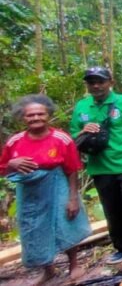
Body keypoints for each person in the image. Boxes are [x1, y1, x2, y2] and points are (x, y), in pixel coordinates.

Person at [69, 67, 122, 264]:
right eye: (92, 82)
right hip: (100, 166)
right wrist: (83, 131)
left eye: (100, 81)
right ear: (88, 85)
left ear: (111, 82)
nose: (96, 85)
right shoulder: (82, 107)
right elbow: (73, 136)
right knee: (112, 209)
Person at [1, 95, 91, 284]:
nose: (35, 118)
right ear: (23, 118)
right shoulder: (15, 141)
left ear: (48, 115)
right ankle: (48, 269)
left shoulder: (61, 139)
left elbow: (73, 168)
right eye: (30, 115)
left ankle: (73, 264)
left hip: (57, 186)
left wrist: (73, 197)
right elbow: (3, 169)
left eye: (40, 114)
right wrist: (12, 163)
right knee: (33, 228)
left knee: (66, 223)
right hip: (29, 193)